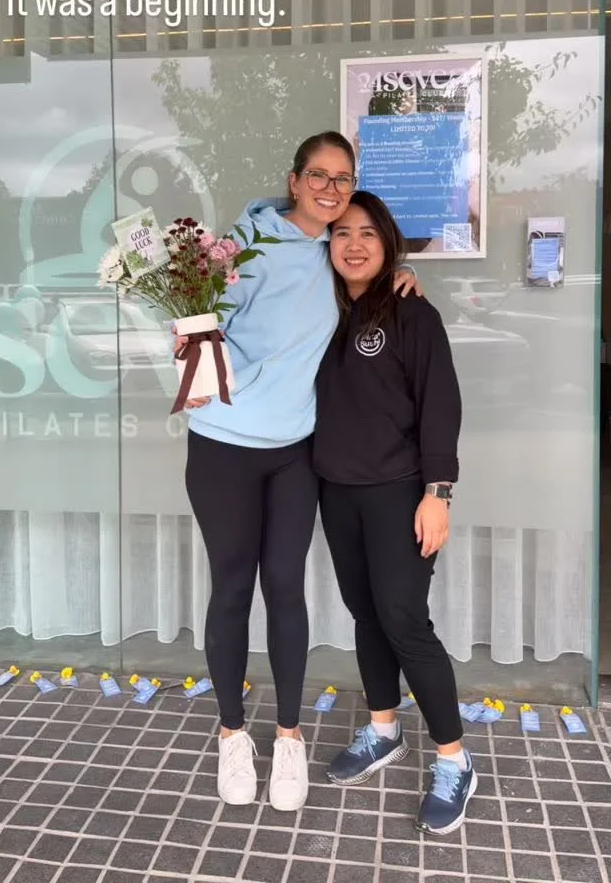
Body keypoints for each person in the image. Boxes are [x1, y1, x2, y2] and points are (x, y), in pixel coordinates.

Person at [179, 132, 422, 812]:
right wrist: (190, 350)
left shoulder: (335, 253)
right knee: (232, 589)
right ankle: (232, 734)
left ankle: (288, 737)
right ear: (294, 181)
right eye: (318, 175)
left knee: (285, 587)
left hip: (294, 450)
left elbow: (367, 275)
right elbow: (195, 318)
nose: (330, 189)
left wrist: (400, 279)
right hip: (223, 444)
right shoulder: (241, 247)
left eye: (343, 179)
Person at [313, 190, 476, 836]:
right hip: (336, 489)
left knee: (404, 619)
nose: (353, 244)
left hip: (400, 491)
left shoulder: (412, 312)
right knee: (366, 614)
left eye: (368, 234)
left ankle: (454, 760)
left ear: (387, 244)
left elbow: (441, 404)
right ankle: (384, 730)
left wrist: (438, 493)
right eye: (341, 232)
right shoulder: (319, 309)